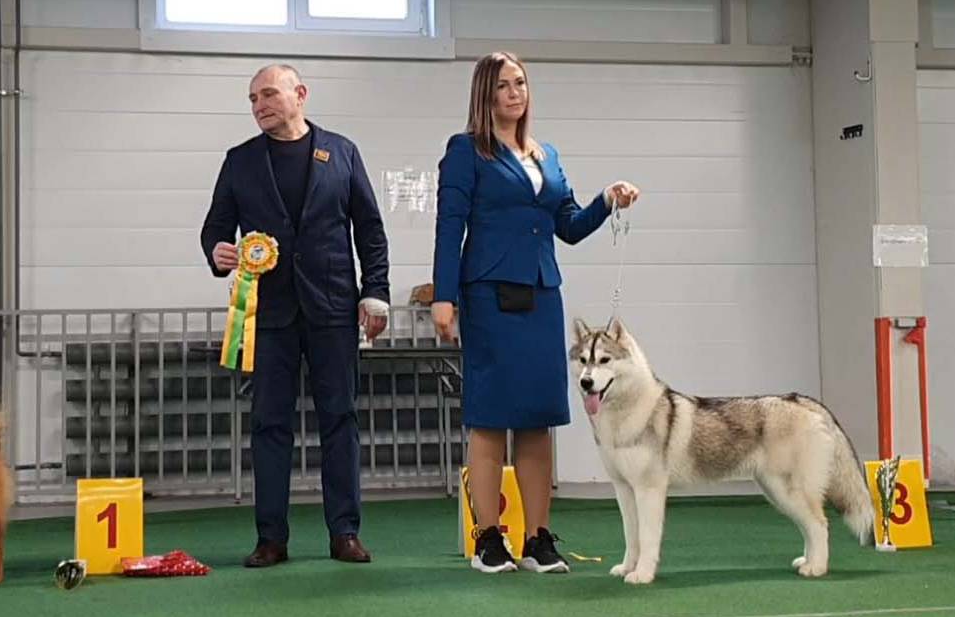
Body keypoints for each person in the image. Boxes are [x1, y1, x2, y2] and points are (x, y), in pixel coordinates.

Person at [431, 51, 640, 574]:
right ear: (485, 94)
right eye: (503, 85)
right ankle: (488, 539)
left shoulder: (547, 155)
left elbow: (568, 225)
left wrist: (606, 200)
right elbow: (450, 226)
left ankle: (537, 539)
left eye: (521, 83)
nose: (514, 93)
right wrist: (443, 297)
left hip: (543, 294)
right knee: (489, 419)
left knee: (538, 418)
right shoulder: (466, 150)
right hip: (489, 294)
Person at [200, 63, 389, 568]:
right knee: (269, 425)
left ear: (300, 94)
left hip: (333, 308)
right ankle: (271, 538)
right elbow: (215, 227)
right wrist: (217, 250)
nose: (259, 105)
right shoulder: (239, 161)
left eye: (268, 94)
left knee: (340, 420)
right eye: (252, 99)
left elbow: (370, 230)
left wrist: (375, 292)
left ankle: (345, 532)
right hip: (270, 316)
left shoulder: (343, 152)